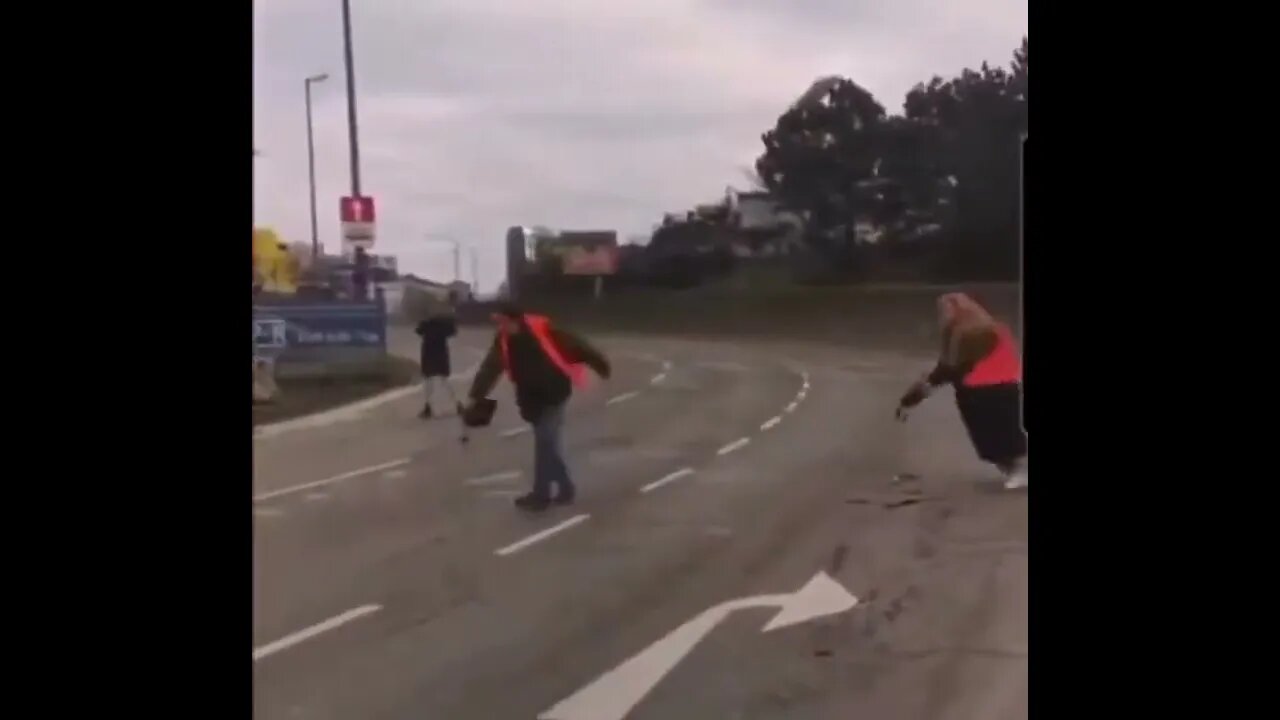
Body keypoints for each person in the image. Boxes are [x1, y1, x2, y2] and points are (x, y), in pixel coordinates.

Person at [464, 303, 611, 511]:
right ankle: (565, 487)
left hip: (555, 393)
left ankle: (541, 495)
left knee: (545, 442)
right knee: (549, 444)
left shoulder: (544, 331)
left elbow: (578, 345)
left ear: (514, 319)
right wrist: (476, 394)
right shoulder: (503, 340)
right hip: (531, 399)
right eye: (498, 322)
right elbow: (491, 366)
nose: (500, 326)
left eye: (502, 321)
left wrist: (600, 364)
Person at [895, 292, 1027, 489]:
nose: (943, 314)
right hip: (995, 388)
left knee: (998, 436)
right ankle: (1014, 471)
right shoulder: (981, 328)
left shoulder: (972, 332)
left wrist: (912, 398)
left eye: (947, 309)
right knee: (998, 435)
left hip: (986, 391)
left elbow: (949, 368)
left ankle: (1018, 472)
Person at [415, 297, 461, 419]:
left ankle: (428, 407)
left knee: (428, 382)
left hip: (428, 353)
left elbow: (418, 331)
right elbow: (453, 331)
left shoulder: (426, 323)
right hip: (441, 354)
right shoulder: (444, 324)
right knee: (444, 380)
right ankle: (457, 404)